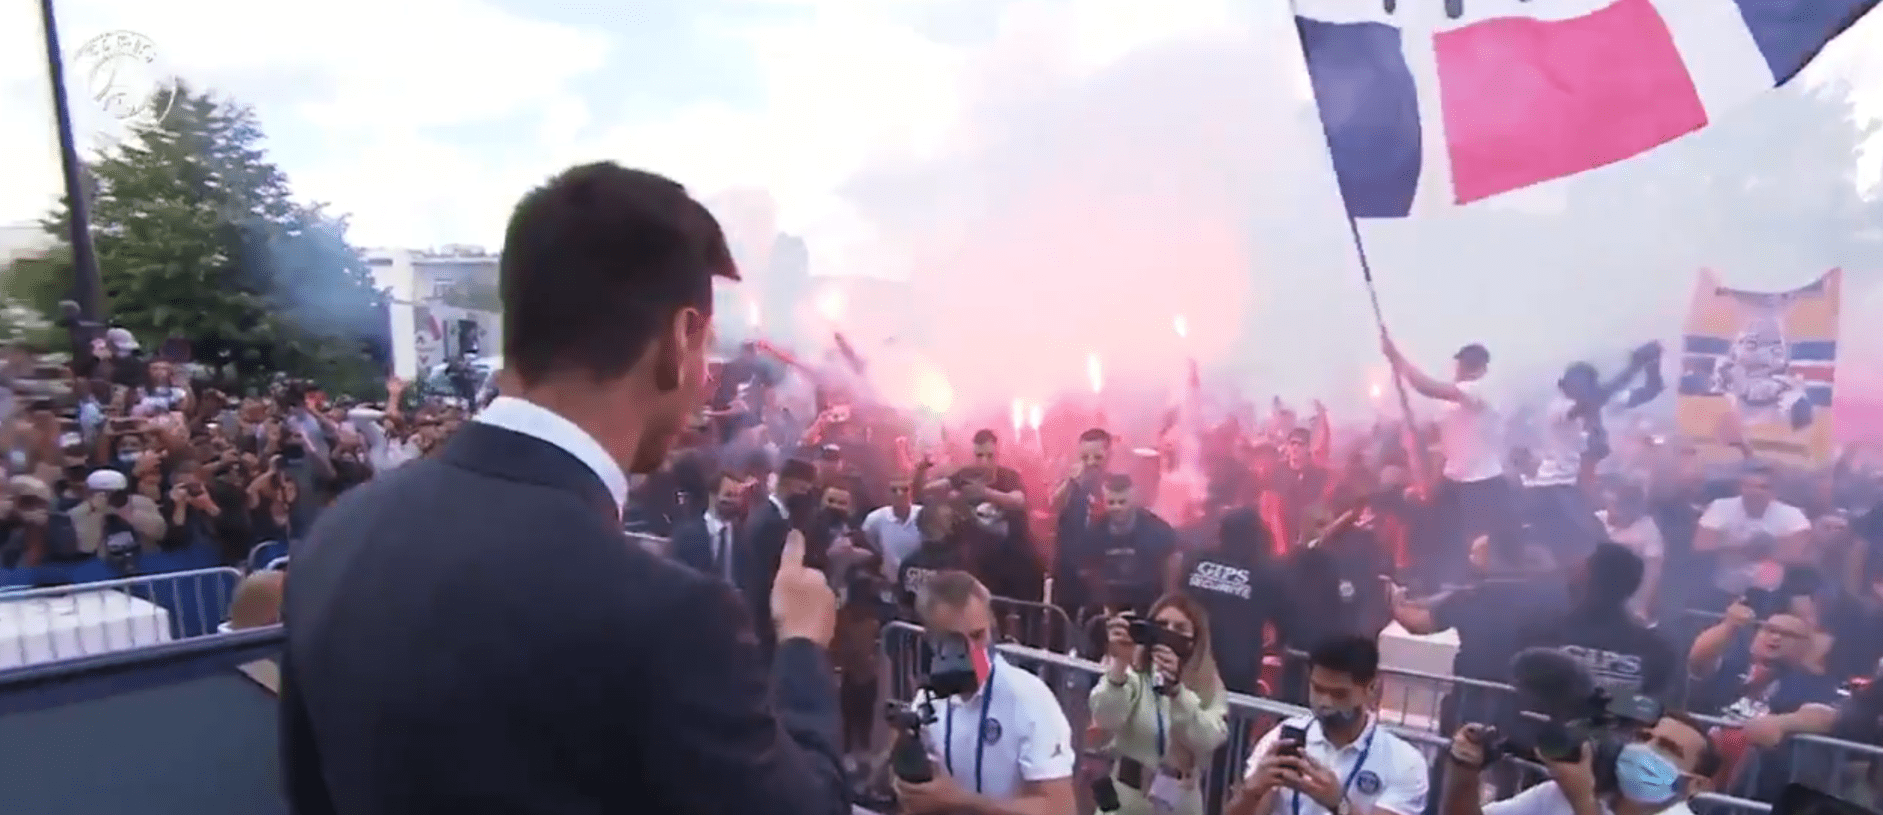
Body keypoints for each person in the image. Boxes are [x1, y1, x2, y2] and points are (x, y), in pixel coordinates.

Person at [279, 163, 849, 815]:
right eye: (705, 344)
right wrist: (802, 645)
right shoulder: (670, 615)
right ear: (680, 338)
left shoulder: (340, 533)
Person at [900, 570, 1077, 815]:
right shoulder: (926, 702)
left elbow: (1061, 809)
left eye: (978, 635)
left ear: (992, 628)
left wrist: (962, 800)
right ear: (931, 641)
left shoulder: (1030, 698)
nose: (972, 651)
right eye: (955, 641)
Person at [1230, 635, 1428, 815]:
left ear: (1372, 689)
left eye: (1339, 694)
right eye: (1317, 689)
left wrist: (1338, 805)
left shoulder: (1404, 762)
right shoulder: (1281, 738)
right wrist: (1252, 791)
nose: (1325, 702)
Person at [1379, 338, 1513, 588]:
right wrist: (1427, 482)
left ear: (1481, 368)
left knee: (1481, 556)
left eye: (1468, 364)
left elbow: (1425, 387)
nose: (1461, 369)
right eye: (1462, 363)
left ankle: (1482, 599)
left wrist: (1396, 357)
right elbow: (1439, 445)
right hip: (1453, 485)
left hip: (1483, 486)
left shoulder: (1479, 390)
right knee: (1443, 547)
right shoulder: (1451, 404)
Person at [1090, 594, 1230, 815]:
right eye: (1162, 625)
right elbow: (1105, 718)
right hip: (1124, 794)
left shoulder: (1209, 683)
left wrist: (1176, 692)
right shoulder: (1135, 672)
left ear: (1195, 637)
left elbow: (1208, 739)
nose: (1168, 632)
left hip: (1179, 799)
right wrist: (1118, 665)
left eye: (1179, 627)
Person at [1440, 712, 1721, 815]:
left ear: (1694, 784)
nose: (1645, 749)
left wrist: (1582, 798)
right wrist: (1464, 768)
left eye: (1666, 749)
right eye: (1645, 738)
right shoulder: (1560, 794)